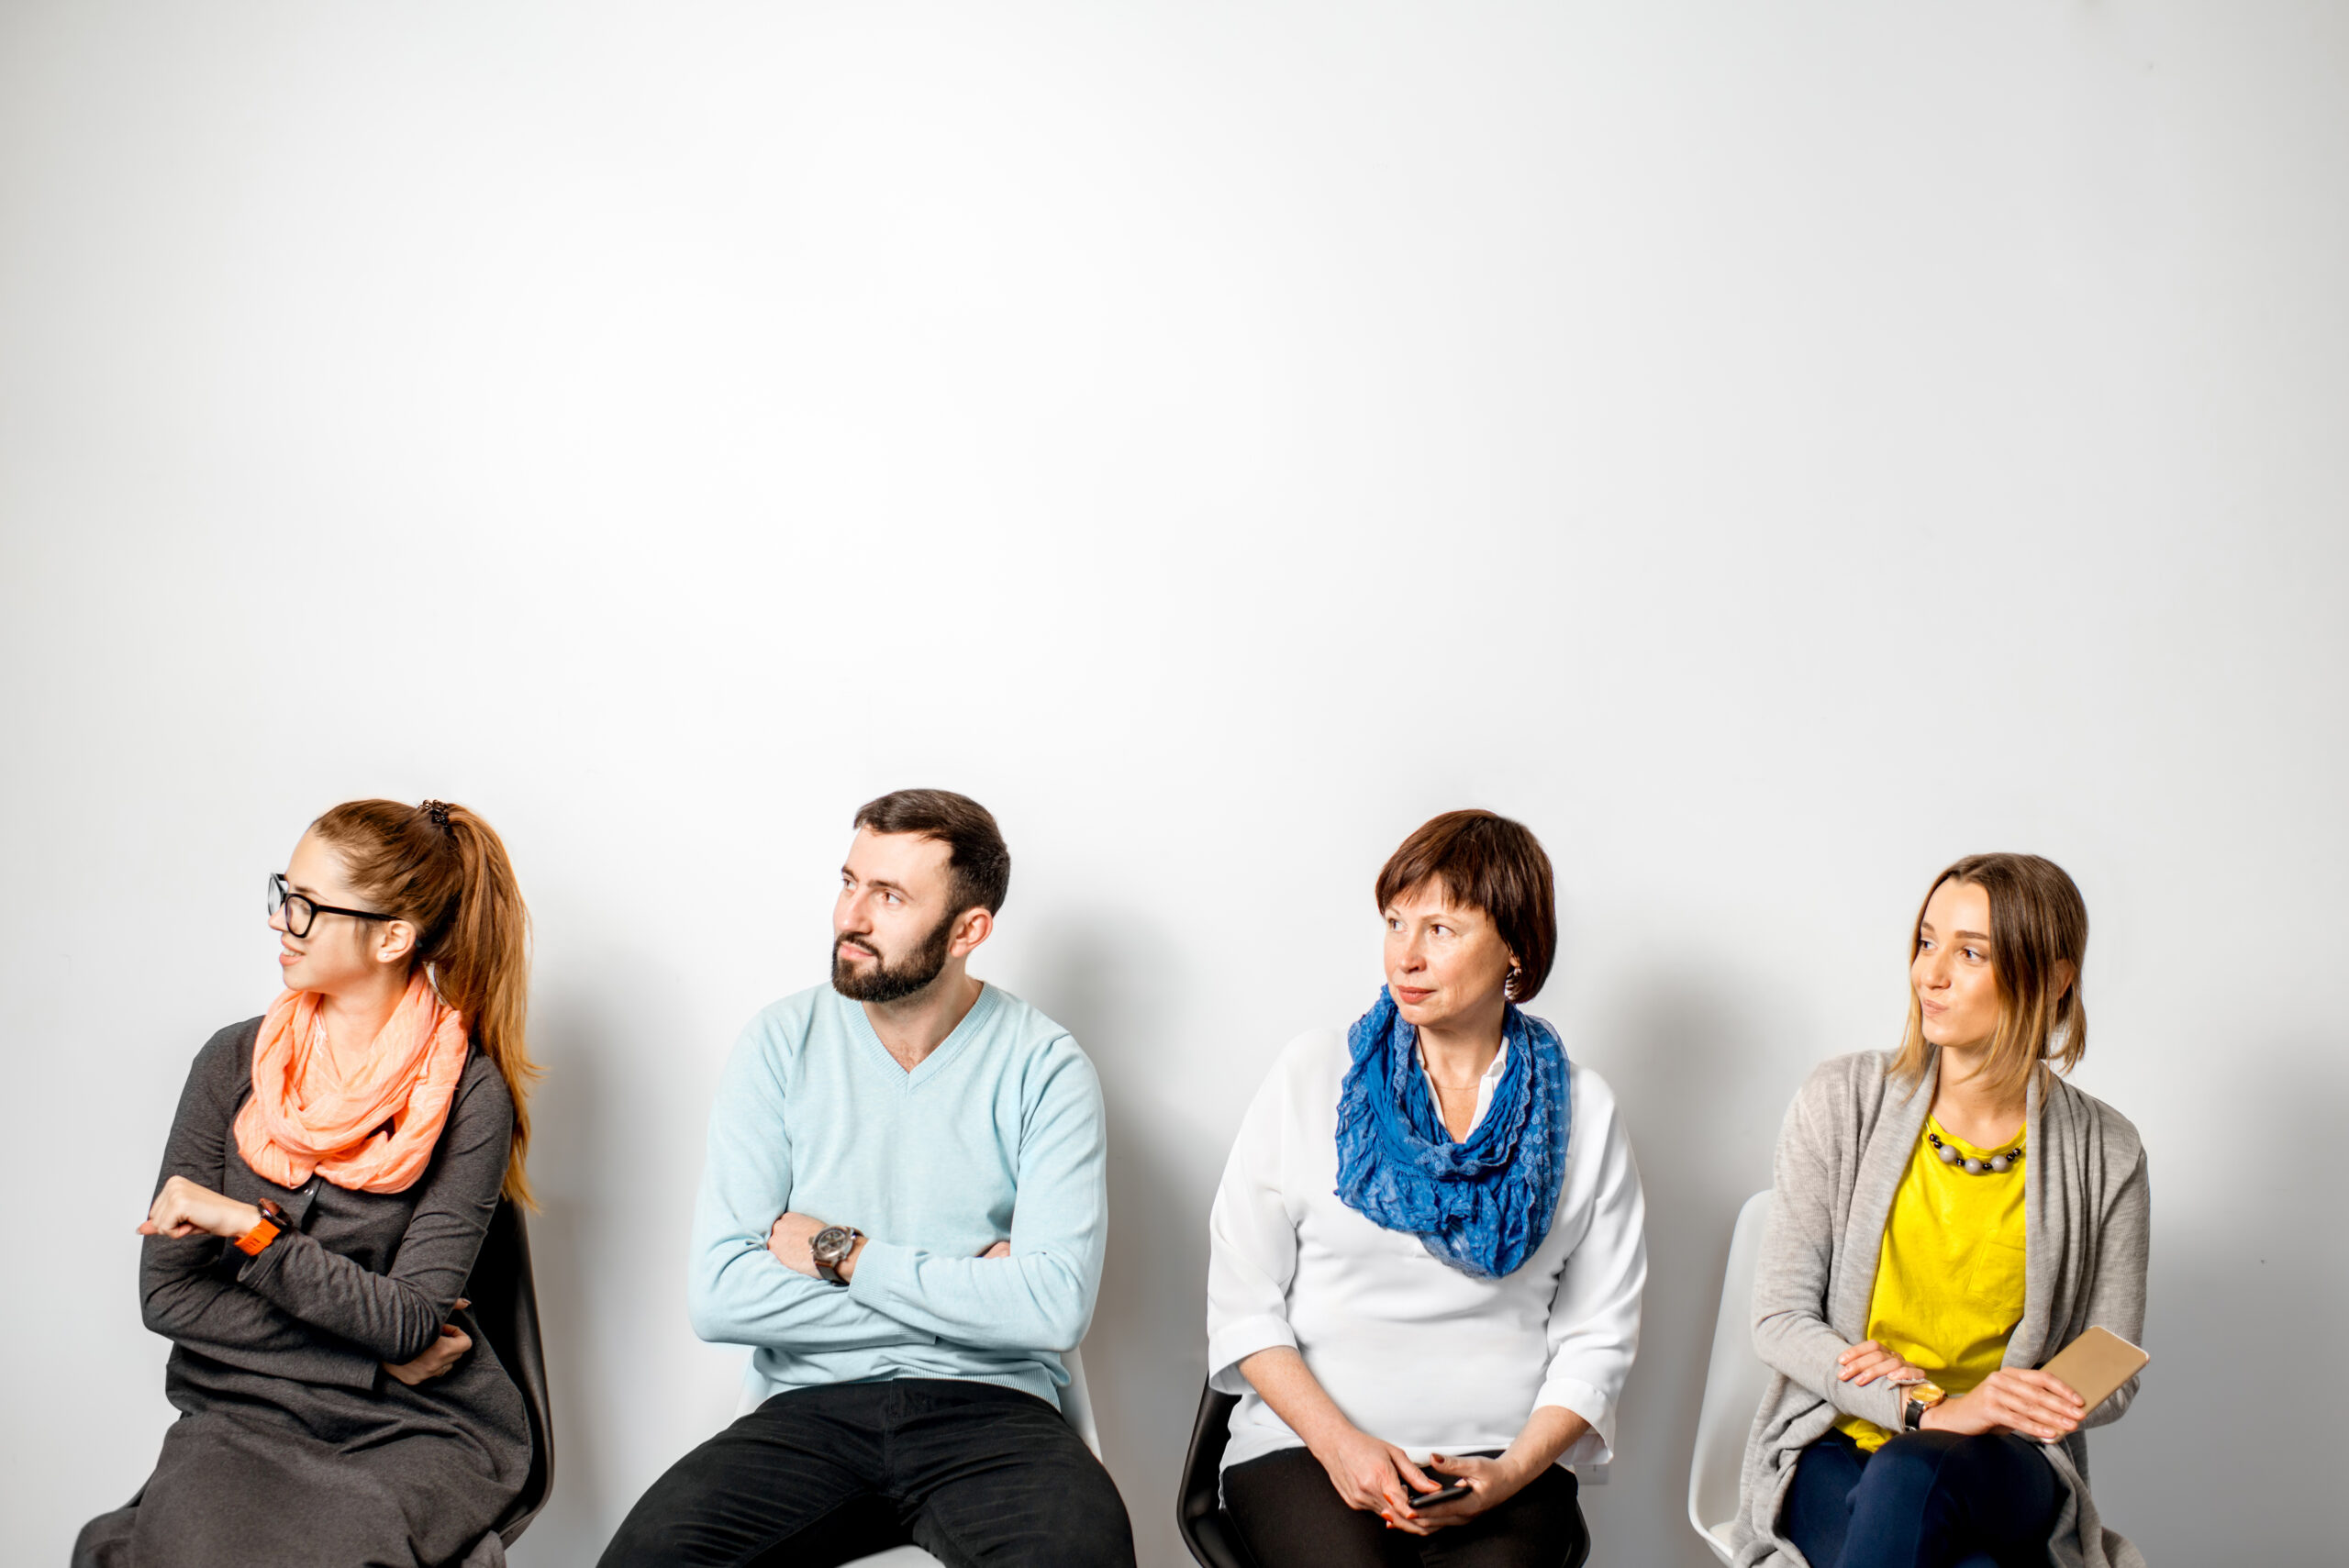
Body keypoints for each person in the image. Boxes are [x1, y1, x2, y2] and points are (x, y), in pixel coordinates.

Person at [599, 788, 1134, 1568]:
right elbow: (719, 1295)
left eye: (889, 896)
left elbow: (1052, 1310)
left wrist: (843, 1254)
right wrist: (967, 1292)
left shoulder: (1046, 1067)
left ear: (968, 930)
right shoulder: (780, 1042)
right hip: (808, 1412)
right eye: (850, 881)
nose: (851, 915)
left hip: (997, 1416)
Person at [77, 799, 540, 1568]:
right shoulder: (230, 1061)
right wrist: (361, 1357)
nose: (279, 921)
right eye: (282, 894)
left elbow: (410, 1323)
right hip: (245, 1411)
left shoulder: (469, 1094)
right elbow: (171, 1298)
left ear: (392, 937)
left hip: (413, 1424)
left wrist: (249, 1230)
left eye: (306, 907)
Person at [1206, 808, 1647, 1568]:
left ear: (1515, 946)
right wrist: (1343, 1447)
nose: (1405, 955)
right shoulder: (1313, 1076)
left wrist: (1508, 1473)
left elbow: (1597, 1340)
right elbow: (1244, 1303)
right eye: (1395, 921)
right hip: (1306, 1450)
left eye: (1441, 929)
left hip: (1501, 1460)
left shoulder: (1586, 1110)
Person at [1731, 853, 2150, 1568]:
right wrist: (1922, 1403)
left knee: (1913, 1475)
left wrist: (2006, 1401)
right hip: (1843, 1436)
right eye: (1927, 941)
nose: (1931, 972)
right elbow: (1780, 1316)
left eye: (1970, 952)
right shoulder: (1841, 1100)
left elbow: (2112, 1364)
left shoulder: (2106, 1149)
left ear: (2053, 979)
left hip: (2003, 1460)